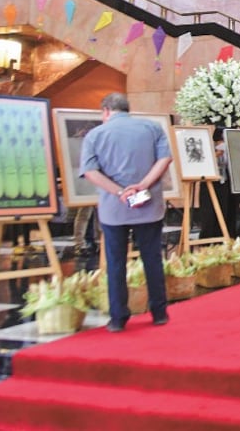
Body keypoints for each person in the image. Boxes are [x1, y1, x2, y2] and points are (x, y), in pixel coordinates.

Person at [80, 93, 173, 332]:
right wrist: (142, 185)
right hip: (148, 204)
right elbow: (165, 159)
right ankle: (159, 312)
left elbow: (90, 171)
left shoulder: (95, 135)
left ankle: (118, 317)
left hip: (114, 208)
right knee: (152, 258)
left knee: (115, 262)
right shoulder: (152, 128)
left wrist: (119, 191)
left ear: (107, 110)